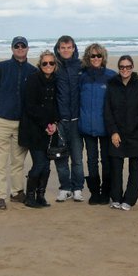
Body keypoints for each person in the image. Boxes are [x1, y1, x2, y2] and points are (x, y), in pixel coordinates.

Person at [0, 36, 37, 210]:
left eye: (23, 46)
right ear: (12, 49)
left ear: (27, 48)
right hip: (1, 121)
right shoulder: (1, 68)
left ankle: (17, 192)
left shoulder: (33, 71)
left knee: (18, 161)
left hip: (22, 124)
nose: (20, 48)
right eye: (17, 46)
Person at [104, 55, 138, 211]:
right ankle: (116, 198)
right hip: (117, 133)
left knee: (134, 168)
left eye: (128, 66)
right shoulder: (112, 86)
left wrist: (137, 123)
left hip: (136, 133)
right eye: (122, 67)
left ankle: (129, 200)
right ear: (119, 68)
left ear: (132, 67)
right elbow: (107, 111)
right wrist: (113, 132)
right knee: (116, 168)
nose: (125, 69)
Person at [18, 50, 60, 208]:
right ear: (40, 65)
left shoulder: (56, 80)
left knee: (47, 165)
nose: (48, 65)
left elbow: (57, 105)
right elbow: (30, 106)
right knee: (39, 163)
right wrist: (45, 125)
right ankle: (30, 197)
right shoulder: (33, 79)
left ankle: (40, 195)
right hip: (34, 129)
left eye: (51, 63)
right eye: (45, 63)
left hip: (50, 129)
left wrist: (55, 123)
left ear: (55, 65)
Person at [79, 43, 116, 205]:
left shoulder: (111, 76)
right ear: (88, 57)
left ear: (103, 57)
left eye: (98, 55)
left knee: (106, 160)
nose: (95, 58)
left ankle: (105, 192)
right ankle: (94, 192)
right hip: (87, 126)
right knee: (91, 160)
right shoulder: (82, 77)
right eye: (92, 56)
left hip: (106, 127)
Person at [53, 35, 85, 202]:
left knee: (77, 158)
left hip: (77, 121)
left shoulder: (81, 66)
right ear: (58, 49)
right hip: (60, 121)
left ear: (73, 48)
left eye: (68, 47)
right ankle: (65, 188)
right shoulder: (54, 66)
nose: (66, 50)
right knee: (61, 157)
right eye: (62, 48)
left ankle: (77, 188)